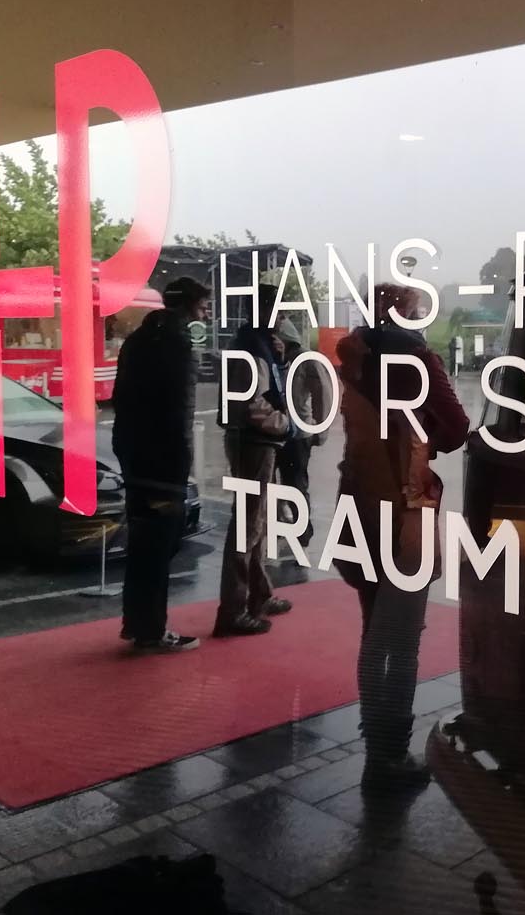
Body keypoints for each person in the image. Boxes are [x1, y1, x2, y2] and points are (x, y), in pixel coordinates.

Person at [335, 284, 469, 790]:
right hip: (404, 505)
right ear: (407, 314)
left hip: (357, 501)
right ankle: (391, 753)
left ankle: (377, 744)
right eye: (417, 310)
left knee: (373, 631)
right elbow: (456, 428)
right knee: (403, 639)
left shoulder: (352, 355)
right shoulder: (417, 359)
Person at [112, 276, 210, 653]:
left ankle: (137, 623)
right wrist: (182, 466)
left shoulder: (138, 339)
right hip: (164, 463)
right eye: (202, 308)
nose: (204, 316)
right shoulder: (179, 344)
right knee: (161, 544)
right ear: (188, 307)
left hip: (134, 456)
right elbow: (179, 411)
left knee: (142, 544)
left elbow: (122, 399)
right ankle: (151, 630)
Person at [213, 298, 296, 637]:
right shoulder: (253, 348)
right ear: (263, 312)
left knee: (255, 521)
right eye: (279, 311)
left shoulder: (255, 344)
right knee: (248, 526)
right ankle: (233, 610)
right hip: (254, 442)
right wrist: (285, 424)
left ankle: (258, 595)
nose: (284, 317)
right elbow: (254, 404)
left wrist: (280, 360)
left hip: (252, 441)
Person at [271, 318, 330, 560]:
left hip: (297, 433)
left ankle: (302, 532)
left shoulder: (305, 359)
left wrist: (320, 429)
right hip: (276, 430)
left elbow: (322, 393)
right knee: (278, 483)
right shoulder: (275, 357)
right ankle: (284, 523)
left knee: (295, 483)